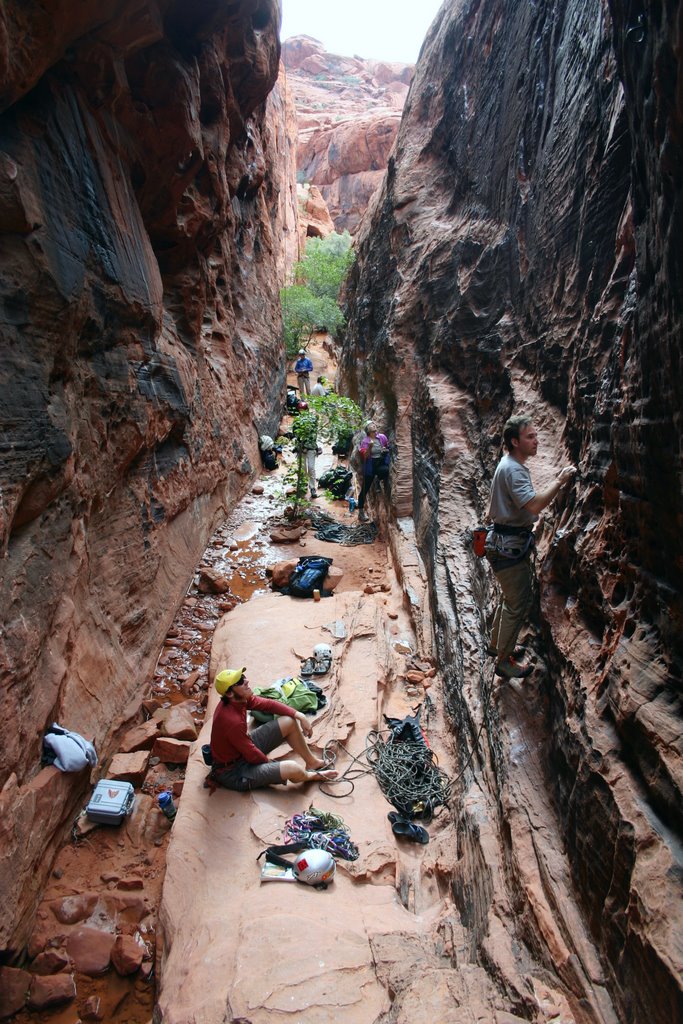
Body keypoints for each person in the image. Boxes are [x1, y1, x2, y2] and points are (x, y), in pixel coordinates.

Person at [487, 415, 576, 679]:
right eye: (530, 437)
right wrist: (559, 481)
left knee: (508, 599)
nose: (536, 441)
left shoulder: (510, 464)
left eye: (536, 436)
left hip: (503, 543)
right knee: (517, 603)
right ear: (515, 441)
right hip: (508, 547)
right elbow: (534, 505)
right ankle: (503, 662)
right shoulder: (513, 469)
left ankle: (496, 646)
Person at [208, 667, 337, 791]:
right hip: (234, 771)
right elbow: (251, 753)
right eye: (240, 681)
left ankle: (312, 762)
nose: (246, 681)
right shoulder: (231, 721)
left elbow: (268, 704)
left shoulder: (238, 699)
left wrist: (299, 715)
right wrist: (270, 765)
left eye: (243, 677)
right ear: (230, 693)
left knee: (289, 721)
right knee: (292, 768)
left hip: (241, 752)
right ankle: (312, 776)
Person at [357, 421, 390, 522]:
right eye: (371, 425)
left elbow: (387, 446)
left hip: (380, 462)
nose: (374, 425)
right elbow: (365, 457)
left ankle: (378, 480)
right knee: (365, 489)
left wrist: (385, 450)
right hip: (370, 464)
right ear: (368, 430)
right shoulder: (365, 442)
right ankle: (361, 511)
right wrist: (370, 447)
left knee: (386, 471)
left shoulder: (382, 437)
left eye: (374, 425)